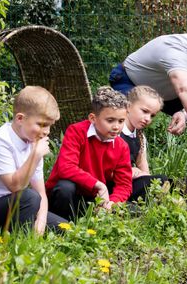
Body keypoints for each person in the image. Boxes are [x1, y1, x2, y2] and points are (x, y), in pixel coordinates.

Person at [109, 23, 187, 188]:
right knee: (127, 119)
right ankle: (121, 179)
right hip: (130, 81)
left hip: (170, 93)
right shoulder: (175, 50)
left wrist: (185, 113)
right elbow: (184, 88)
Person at [0, 86, 68, 242]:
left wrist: (41, 223)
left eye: (49, 125)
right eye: (42, 124)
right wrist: (35, 155)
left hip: (17, 209)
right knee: (29, 197)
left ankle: (28, 240)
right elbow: (15, 186)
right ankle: (21, 249)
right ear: (20, 118)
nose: (46, 132)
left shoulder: (33, 142)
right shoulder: (0, 141)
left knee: (66, 228)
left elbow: (42, 193)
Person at [46, 86, 132, 221]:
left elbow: (124, 183)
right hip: (67, 196)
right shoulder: (76, 131)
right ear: (93, 118)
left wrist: (112, 203)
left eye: (121, 121)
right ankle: (61, 225)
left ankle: (94, 218)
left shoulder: (122, 146)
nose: (116, 126)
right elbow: (66, 168)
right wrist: (98, 184)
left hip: (94, 198)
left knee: (129, 196)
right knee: (65, 187)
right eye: (110, 120)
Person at [121, 85, 169, 201]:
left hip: (128, 182)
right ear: (128, 106)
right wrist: (129, 172)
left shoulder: (140, 136)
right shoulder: (115, 130)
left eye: (152, 115)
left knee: (160, 180)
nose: (148, 119)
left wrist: (147, 178)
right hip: (112, 181)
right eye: (144, 111)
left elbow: (142, 165)